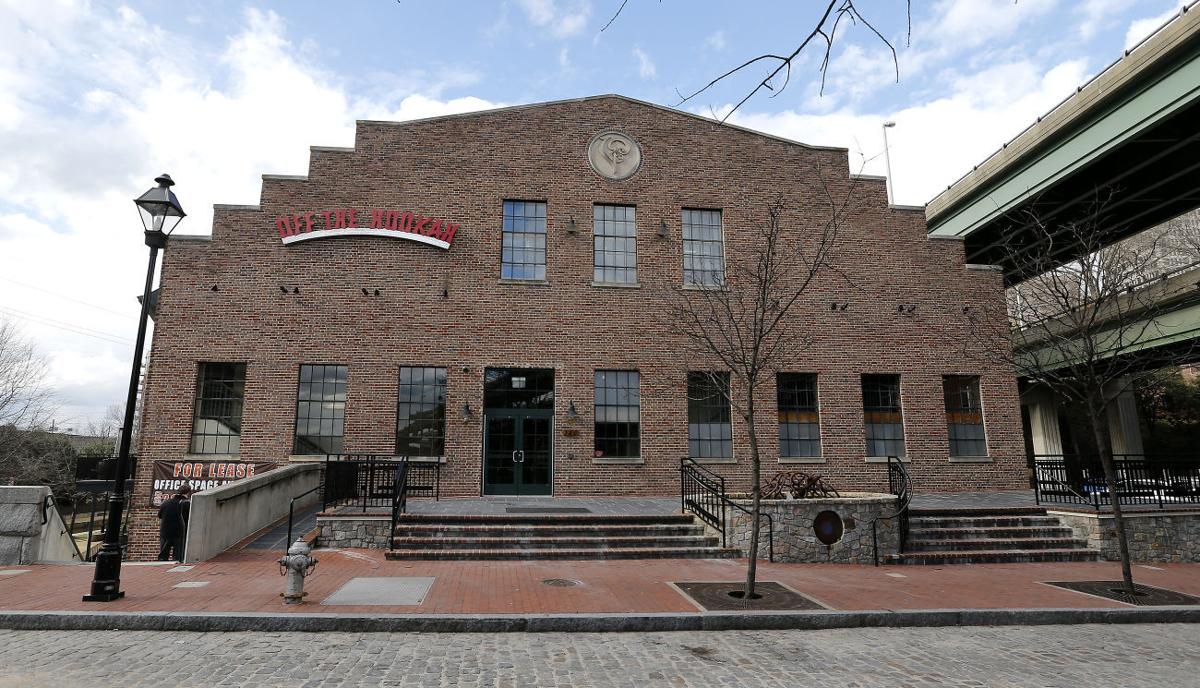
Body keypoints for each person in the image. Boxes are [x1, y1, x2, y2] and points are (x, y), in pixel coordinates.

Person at [157, 489, 189, 562]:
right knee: (178, 556)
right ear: (187, 493)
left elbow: (159, 515)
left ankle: (161, 570)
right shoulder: (186, 503)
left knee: (163, 555)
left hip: (165, 531)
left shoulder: (166, 503)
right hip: (179, 532)